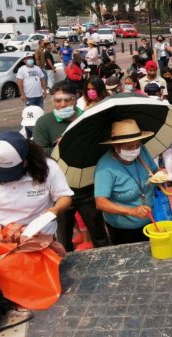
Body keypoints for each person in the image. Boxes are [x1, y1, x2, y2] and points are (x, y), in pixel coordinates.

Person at [34, 81, 111, 251]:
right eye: (57, 101)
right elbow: (38, 153)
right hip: (60, 190)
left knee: (99, 235)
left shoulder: (88, 119)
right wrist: (61, 147)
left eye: (66, 100)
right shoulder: (44, 123)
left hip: (88, 187)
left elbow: (101, 147)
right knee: (63, 239)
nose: (61, 105)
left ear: (76, 98)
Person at [0, 131, 73, 237]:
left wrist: (56, 209)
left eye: (11, 170)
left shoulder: (48, 166)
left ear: (26, 160)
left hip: (38, 232)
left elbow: (64, 195)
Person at [94, 119, 159, 245]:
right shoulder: (105, 168)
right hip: (123, 229)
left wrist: (162, 178)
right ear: (116, 146)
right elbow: (100, 203)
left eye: (137, 145)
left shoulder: (142, 152)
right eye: (129, 146)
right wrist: (132, 211)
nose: (135, 150)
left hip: (150, 220)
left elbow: (154, 172)